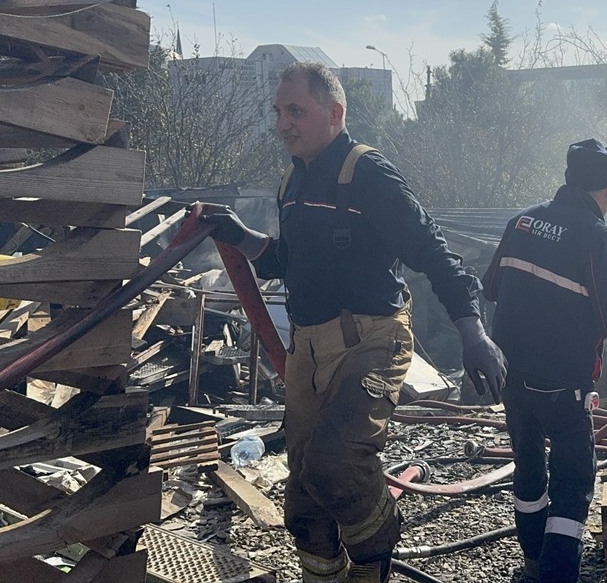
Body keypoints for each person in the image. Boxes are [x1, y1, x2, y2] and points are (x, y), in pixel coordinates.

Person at [201, 62, 506, 583]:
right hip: (309, 351)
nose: (283, 123)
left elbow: (434, 254)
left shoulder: (368, 174)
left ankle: (376, 556)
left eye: (296, 110)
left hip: (371, 340)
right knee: (302, 497)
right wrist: (239, 234)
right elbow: (284, 262)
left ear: (335, 113)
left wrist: (473, 331)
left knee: (335, 464)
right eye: (278, 111)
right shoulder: (291, 181)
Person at [481, 139, 607, 583]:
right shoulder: (597, 237)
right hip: (564, 385)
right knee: (573, 482)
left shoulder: (520, 222)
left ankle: (532, 564)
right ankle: (556, 575)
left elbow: (491, 289)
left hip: (513, 378)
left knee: (528, 471)